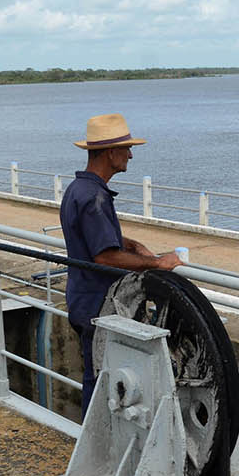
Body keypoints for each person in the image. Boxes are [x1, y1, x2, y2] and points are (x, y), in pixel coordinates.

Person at [60, 113, 181, 416]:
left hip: (81, 297)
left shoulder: (79, 190)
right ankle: (97, 447)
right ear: (110, 152)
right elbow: (104, 257)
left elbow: (93, 238)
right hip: (96, 304)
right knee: (102, 378)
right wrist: (156, 263)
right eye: (126, 148)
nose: (130, 154)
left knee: (97, 374)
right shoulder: (94, 197)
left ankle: (95, 445)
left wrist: (129, 244)